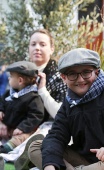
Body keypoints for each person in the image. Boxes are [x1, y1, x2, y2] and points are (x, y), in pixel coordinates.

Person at [28, 48, 104, 170]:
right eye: (72, 74)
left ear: (96, 72)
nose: (80, 79)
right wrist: (49, 165)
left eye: (86, 72)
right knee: (37, 147)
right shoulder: (69, 102)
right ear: (63, 77)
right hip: (86, 161)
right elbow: (57, 135)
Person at [13, 28, 67, 169]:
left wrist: (42, 90)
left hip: (50, 128)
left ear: (52, 49)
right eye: (33, 44)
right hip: (24, 125)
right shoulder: (23, 74)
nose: (37, 48)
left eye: (42, 44)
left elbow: (60, 114)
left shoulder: (60, 76)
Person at [0, 61, 45, 154]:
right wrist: (0, 110)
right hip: (7, 126)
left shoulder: (33, 97)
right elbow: (1, 102)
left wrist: (22, 128)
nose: (9, 78)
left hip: (20, 131)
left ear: (20, 80)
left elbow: (36, 115)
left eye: (11, 76)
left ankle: (8, 147)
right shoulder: (9, 93)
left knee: (24, 137)